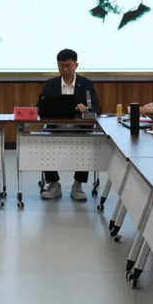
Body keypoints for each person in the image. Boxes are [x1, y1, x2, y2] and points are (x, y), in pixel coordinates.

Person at [38, 49, 101, 201]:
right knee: (43, 141)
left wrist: (86, 109)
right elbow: (39, 108)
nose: (65, 70)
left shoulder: (86, 84)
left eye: (68, 66)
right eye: (61, 66)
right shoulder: (50, 84)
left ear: (76, 65)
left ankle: (78, 185)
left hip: (80, 129)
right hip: (55, 128)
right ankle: (54, 184)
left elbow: (97, 108)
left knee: (87, 143)